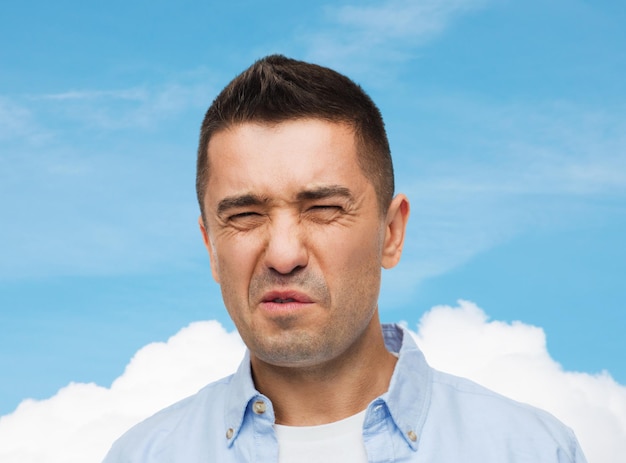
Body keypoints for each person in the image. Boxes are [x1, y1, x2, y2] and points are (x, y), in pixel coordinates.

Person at [102, 55, 587, 463]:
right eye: (246, 215)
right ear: (211, 246)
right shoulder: (142, 455)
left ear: (391, 233)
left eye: (323, 209)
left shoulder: (529, 450)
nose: (284, 254)